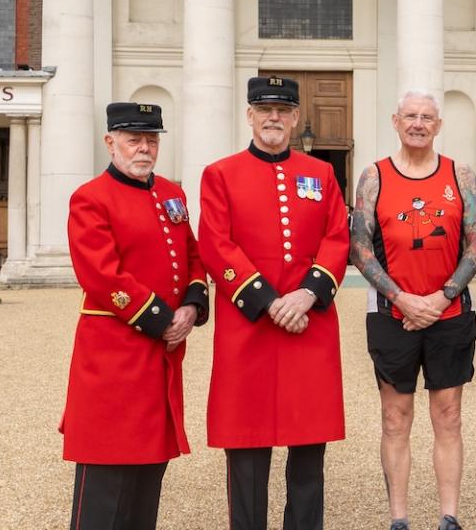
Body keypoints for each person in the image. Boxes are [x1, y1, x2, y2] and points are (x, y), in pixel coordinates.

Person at [200, 76, 350, 530]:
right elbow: (215, 245)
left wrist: (307, 294)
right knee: (246, 450)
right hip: (249, 329)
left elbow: (336, 238)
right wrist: (268, 302)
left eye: (283, 111)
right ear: (249, 115)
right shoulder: (220, 174)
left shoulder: (321, 173)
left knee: (309, 450)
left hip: (310, 324)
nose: (274, 118)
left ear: (296, 118)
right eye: (265, 110)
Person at [61, 101, 209, 530]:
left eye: (151, 139)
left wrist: (192, 305)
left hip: (160, 356)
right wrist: (165, 319)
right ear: (111, 143)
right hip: (113, 356)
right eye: (134, 139)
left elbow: (193, 257)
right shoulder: (90, 198)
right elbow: (102, 276)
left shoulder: (171, 194)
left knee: (149, 472)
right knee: (105, 473)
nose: (144, 148)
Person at [348, 90, 476, 530]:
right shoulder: (374, 176)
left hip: (450, 313)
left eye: (427, 117)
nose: (418, 123)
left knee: (448, 416)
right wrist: (403, 298)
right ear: (396, 120)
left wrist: (442, 296)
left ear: (438, 125)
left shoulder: (458, 173)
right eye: (411, 116)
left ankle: (448, 515)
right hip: (393, 315)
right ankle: (400, 519)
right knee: (395, 417)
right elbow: (359, 246)